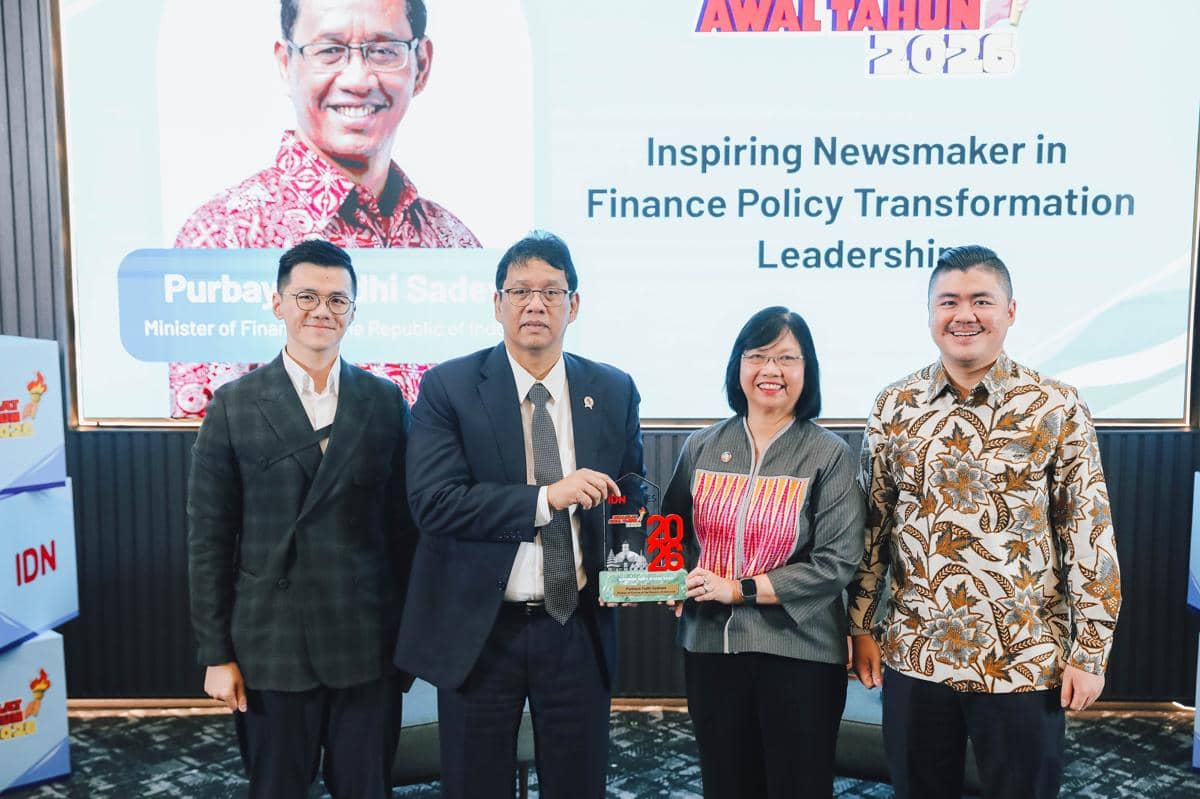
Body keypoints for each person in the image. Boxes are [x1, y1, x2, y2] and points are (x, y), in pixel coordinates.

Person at [849, 245, 1122, 799]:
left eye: (981, 301)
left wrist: (1089, 653)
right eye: (948, 302)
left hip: (1023, 660)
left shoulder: (1055, 406)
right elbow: (872, 529)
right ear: (930, 314)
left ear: (1011, 311)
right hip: (916, 653)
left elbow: (1088, 532)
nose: (964, 315)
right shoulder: (893, 406)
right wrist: (859, 627)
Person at [393, 231, 644, 798]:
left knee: (579, 785)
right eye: (521, 291)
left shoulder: (613, 389)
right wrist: (546, 498)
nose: (536, 305)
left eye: (551, 292)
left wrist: (643, 573)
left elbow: (629, 499)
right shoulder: (449, 387)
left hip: (575, 626)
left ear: (573, 305)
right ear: (497, 303)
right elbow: (434, 503)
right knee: (475, 785)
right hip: (481, 631)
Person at [187, 240, 416, 798]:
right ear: (278, 303)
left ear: (354, 312)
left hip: (365, 642)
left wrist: (409, 644)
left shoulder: (385, 402)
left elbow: (406, 533)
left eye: (338, 300)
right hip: (271, 643)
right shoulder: (234, 404)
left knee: (366, 789)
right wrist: (217, 654)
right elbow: (209, 540)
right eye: (307, 296)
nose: (322, 311)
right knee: (276, 788)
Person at [661, 306, 865, 798]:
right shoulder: (702, 446)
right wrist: (667, 576)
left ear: (806, 371)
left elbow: (836, 563)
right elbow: (670, 530)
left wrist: (739, 589)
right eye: (757, 356)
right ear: (738, 366)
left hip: (801, 656)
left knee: (797, 787)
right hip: (711, 651)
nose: (770, 371)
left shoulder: (830, 454)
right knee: (726, 784)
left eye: (787, 359)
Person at [175, 0, 478, 248]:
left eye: (384, 51)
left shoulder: (453, 246)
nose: (357, 80)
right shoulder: (224, 241)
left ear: (422, 65)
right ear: (285, 64)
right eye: (329, 51)